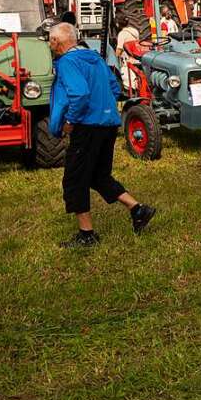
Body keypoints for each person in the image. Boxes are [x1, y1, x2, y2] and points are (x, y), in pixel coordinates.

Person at [48, 23, 155, 247]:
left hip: (86, 126)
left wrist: (70, 121)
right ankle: (138, 209)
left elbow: (79, 93)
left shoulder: (67, 62)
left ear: (58, 42)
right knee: (98, 176)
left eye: (51, 40)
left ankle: (87, 234)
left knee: (74, 179)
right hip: (108, 124)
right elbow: (115, 88)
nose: (50, 44)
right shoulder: (94, 57)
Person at [115, 13, 141, 90]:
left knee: (124, 74)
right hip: (136, 58)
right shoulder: (134, 31)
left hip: (128, 60)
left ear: (117, 24)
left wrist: (115, 59)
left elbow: (119, 50)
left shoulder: (122, 34)